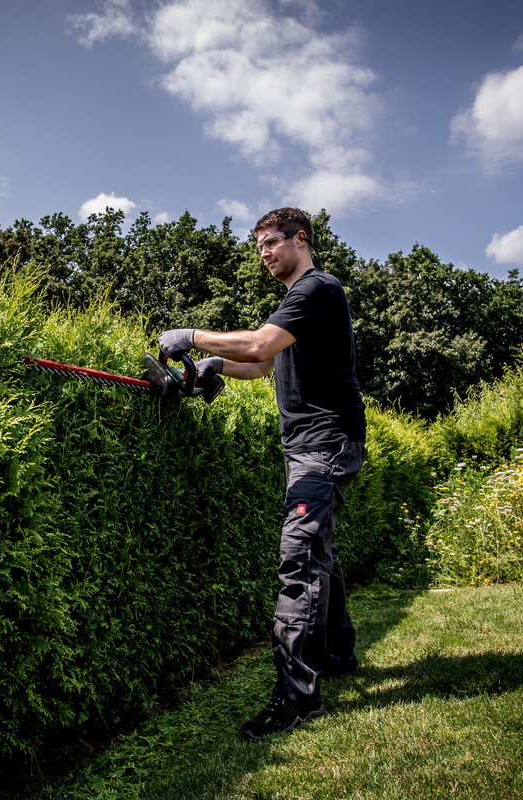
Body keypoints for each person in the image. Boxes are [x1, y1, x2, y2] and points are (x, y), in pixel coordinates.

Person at [157, 207, 367, 741]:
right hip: (307, 446)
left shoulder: (317, 288)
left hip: (325, 443)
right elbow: (260, 364)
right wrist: (214, 367)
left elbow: (257, 344)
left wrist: (193, 336)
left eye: (272, 242)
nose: (265, 253)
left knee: (300, 558)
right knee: (319, 551)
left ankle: (298, 700)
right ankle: (338, 654)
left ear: (301, 239)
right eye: (260, 247)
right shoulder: (297, 301)